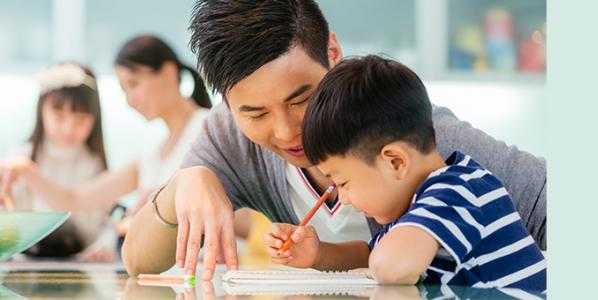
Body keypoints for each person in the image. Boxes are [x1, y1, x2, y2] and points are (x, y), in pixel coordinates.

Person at [122, 0, 546, 279]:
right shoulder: (227, 138)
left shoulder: (414, 138)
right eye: (255, 113)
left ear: (333, 52)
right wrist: (184, 184)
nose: (288, 132)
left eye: (301, 98)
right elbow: (138, 261)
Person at [267, 55, 546, 291]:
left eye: (344, 183)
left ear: (396, 162)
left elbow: (392, 267)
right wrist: (318, 254)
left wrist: (375, 271)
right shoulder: (417, 210)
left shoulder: (459, 190)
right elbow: (373, 253)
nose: (346, 199)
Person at [0, 35, 215, 257]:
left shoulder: (210, 126)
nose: (130, 100)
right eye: (124, 90)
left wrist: (162, 213)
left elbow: (240, 213)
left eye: (134, 84)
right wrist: (26, 169)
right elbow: (74, 200)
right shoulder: (153, 155)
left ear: (169, 72)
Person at [0, 63, 111, 257]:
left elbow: (100, 224)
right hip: (24, 262)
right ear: (41, 110)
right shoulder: (20, 157)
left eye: (81, 119)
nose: (69, 128)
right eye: (59, 116)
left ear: (95, 118)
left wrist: (103, 247)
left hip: (81, 262)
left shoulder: (94, 163)